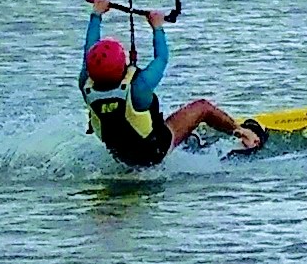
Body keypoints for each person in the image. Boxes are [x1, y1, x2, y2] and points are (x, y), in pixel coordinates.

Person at [80, 17, 262, 166]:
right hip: (155, 151)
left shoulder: (85, 85)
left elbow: (89, 50)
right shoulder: (139, 86)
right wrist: (157, 27)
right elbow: (162, 57)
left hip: (122, 157)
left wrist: (96, 15)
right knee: (202, 107)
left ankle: (188, 138)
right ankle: (244, 133)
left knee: (145, 124)